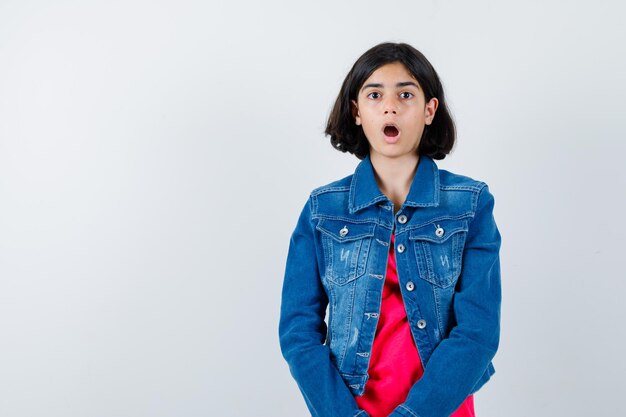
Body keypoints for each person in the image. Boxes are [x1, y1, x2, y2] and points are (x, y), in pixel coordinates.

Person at [278, 42, 502, 417]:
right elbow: (298, 333)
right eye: (375, 94)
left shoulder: (471, 204)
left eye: (406, 94)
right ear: (356, 112)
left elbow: (478, 333)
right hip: (348, 408)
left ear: (430, 110)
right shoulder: (322, 210)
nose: (390, 105)